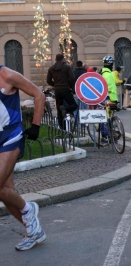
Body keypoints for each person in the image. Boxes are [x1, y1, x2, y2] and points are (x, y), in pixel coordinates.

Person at [0, 64, 46, 250]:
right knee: (5, 193)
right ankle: (34, 230)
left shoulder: (8, 75)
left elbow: (39, 95)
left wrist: (35, 126)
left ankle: (29, 209)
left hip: (11, 137)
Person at [46, 54, 77, 130]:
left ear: (56, 59)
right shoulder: (67, 67)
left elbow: (48, 80)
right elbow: (72, 78)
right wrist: (69, 85)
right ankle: (66, 109)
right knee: (74, 105)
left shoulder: (51, 69)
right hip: (65, 89)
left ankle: (62, 128)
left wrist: (55, 84)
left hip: (57, 90)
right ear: (63, 59)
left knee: (59, 108)